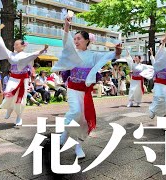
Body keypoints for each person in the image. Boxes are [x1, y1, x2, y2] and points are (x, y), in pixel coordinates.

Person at [51, 16, 122, 159]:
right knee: (75, 111)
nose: (76, 41)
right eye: (75, 38)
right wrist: (66, 25)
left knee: (83, 120)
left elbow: (110, 55)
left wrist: (118, 51)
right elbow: (66, 40)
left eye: (79, 39)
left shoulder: (93, 55)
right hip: (72, 88)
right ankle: (63, 132)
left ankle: (78, 146)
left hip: (85, 92)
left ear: (87, 40)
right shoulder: (72, 52)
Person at [0, 28, 47, 125]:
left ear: (23, 46)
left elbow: (35, 54)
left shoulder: (27, 55)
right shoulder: (11, 54)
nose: (14, 45)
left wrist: (43, 49)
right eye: (14, 44)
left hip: (23, 80)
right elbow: (2, 46)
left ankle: (19, 116)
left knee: (21, 98)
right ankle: (9, 109)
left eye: (17, 44)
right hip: (13, 78)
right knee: (8, 92)